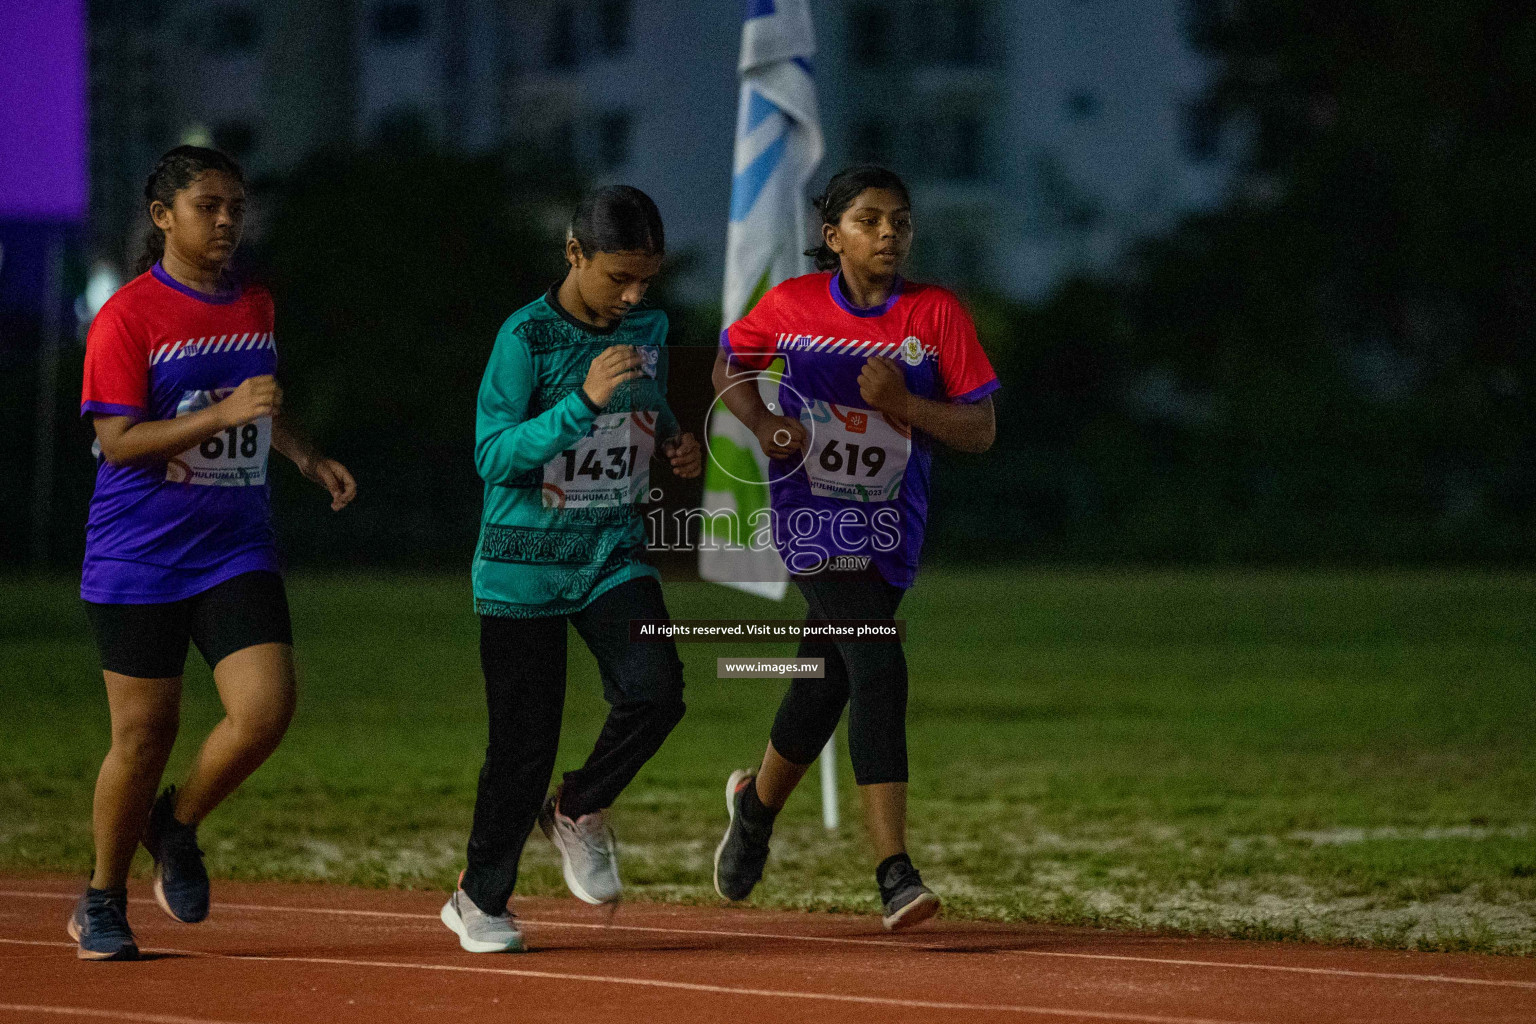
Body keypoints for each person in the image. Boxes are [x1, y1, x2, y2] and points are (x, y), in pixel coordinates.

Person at [71, 145, 356, 960]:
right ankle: (100, 898)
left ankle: (178, 823)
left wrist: (301, 454)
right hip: (139, 554)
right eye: (209, 206)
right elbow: (119, 442)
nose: (229, 220)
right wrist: (223, 413)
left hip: (234, 546)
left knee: (265, 711)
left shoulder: (254, 304)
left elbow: (259, 405)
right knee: (144, 736)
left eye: (237, 205)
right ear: (164, 216)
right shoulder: (126, 317)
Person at [709, 165, 999, 931]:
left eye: (900, 221)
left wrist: (906, 405)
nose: (888, 234)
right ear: (832, 236)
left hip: (891, 523)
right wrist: (765, 423)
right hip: (810, 513)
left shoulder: (935, 315)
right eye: (869, 221)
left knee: (823, 682)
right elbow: (728, 365)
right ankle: (893, 871)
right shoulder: (791, 304)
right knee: (877, 661)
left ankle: (755, 808)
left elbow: (980, 428)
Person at [440, 185, 702, 954]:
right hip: (521, 572)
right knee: (521, 749)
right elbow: (493, 456)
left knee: (657, 691)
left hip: (610, 555)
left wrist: (676, 442)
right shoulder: (524, 337)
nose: (632, 295)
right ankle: (477, 898)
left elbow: (648, 404)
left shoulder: (647, 325)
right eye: (617, 275)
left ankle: (580, 806)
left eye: (645, 279)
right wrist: (581, 402)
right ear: (573, 254)